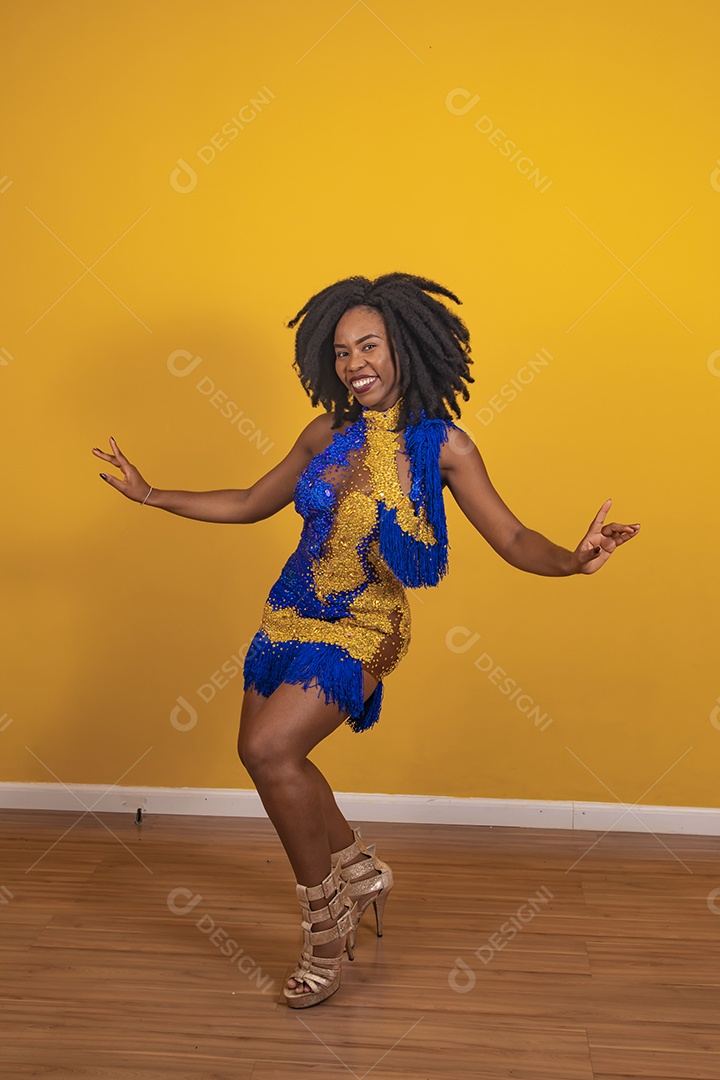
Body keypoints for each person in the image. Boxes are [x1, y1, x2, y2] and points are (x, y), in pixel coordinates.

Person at [92, 271, 640, 1009]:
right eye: (344, 351)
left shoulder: (442, 446)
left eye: (371, 346)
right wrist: (153, 493)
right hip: (290, 610)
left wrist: (573, 560)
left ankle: (325, 927)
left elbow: (510, 536)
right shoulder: (325, 433)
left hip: (365, 624)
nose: (357, 364)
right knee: (267, 757)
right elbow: (255, 500)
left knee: (268, 750)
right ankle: (358, 869)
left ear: (404, 348)